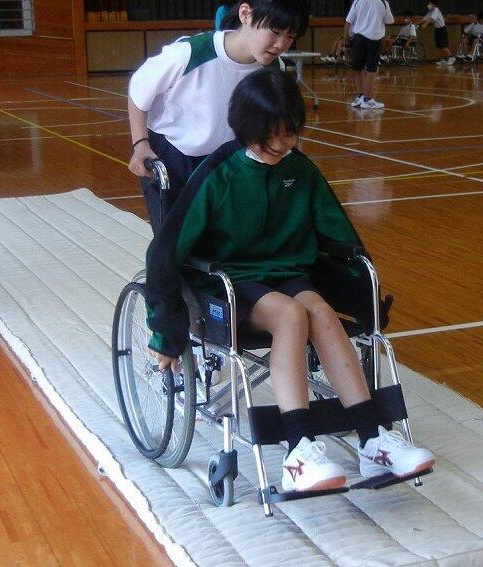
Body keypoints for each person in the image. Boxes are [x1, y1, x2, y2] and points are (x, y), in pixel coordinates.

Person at [144, 68, 435, 492]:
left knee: (322, 312)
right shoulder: (219, 172)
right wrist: (164, 329)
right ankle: (298, 450)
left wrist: (363, 298)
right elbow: (165, 251)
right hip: (230, 281)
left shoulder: (300, 169)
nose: (283, 144)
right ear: (248, 129)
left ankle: (373, 439)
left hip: (286, 273)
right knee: (291, 315)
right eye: (272, 136)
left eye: (290, 134)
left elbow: (340, 235)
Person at [127, 0, 308, 228]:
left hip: (228, 163)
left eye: (290, 36)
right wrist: (140, 144)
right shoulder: (190, 54)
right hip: (176, 158)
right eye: (275, 31)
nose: (281, 44)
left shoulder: (273, 70)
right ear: (245, 14)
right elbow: (138, 91)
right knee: (176, 242)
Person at [344, 0, 394, 109]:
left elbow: (348, 22)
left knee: (357, 68)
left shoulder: (357, 2)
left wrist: (346, 38)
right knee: (371, 70)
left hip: (358, 39)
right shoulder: (383, 3)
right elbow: (390, 20)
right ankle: (367, 99)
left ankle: (360, 96)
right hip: (374, 40)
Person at [420, 0, 454, 65]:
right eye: (428, 4)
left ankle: (451, 58)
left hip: (442, 29)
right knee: (440, 46)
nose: (428, 5)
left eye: (430, 3)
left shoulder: (436, 10)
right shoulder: (430, 12)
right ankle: (445, 59)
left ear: (434, 4)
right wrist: (416, 23)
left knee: (443, 46)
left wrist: (425, 24)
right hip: (437, 30)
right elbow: (424, 19)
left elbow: (432, 19)